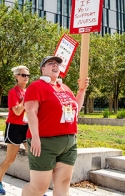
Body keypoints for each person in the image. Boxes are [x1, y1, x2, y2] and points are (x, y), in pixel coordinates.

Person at [21, 55, 89, 196]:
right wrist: (35, 137)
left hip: (69, 143)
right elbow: (31, 112)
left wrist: (82, 90)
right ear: (43, 69)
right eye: (50, 63)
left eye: (57, 63)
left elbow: (75, 107)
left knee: (63, 185)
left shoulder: (64, 87)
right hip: (45, 143)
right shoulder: (36, 86)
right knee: (39, 187)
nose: (55, 65)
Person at [0, 65, 30, 195]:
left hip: (27, 127)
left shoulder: (28, 91)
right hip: (14, 127)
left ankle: (37, 188)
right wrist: (26, 99)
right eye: (23, 75)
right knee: (10, 159)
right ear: (17, 77)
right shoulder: (13, 92)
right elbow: (18, 111)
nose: (26, 78)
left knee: (34, 157)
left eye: (28, 75)